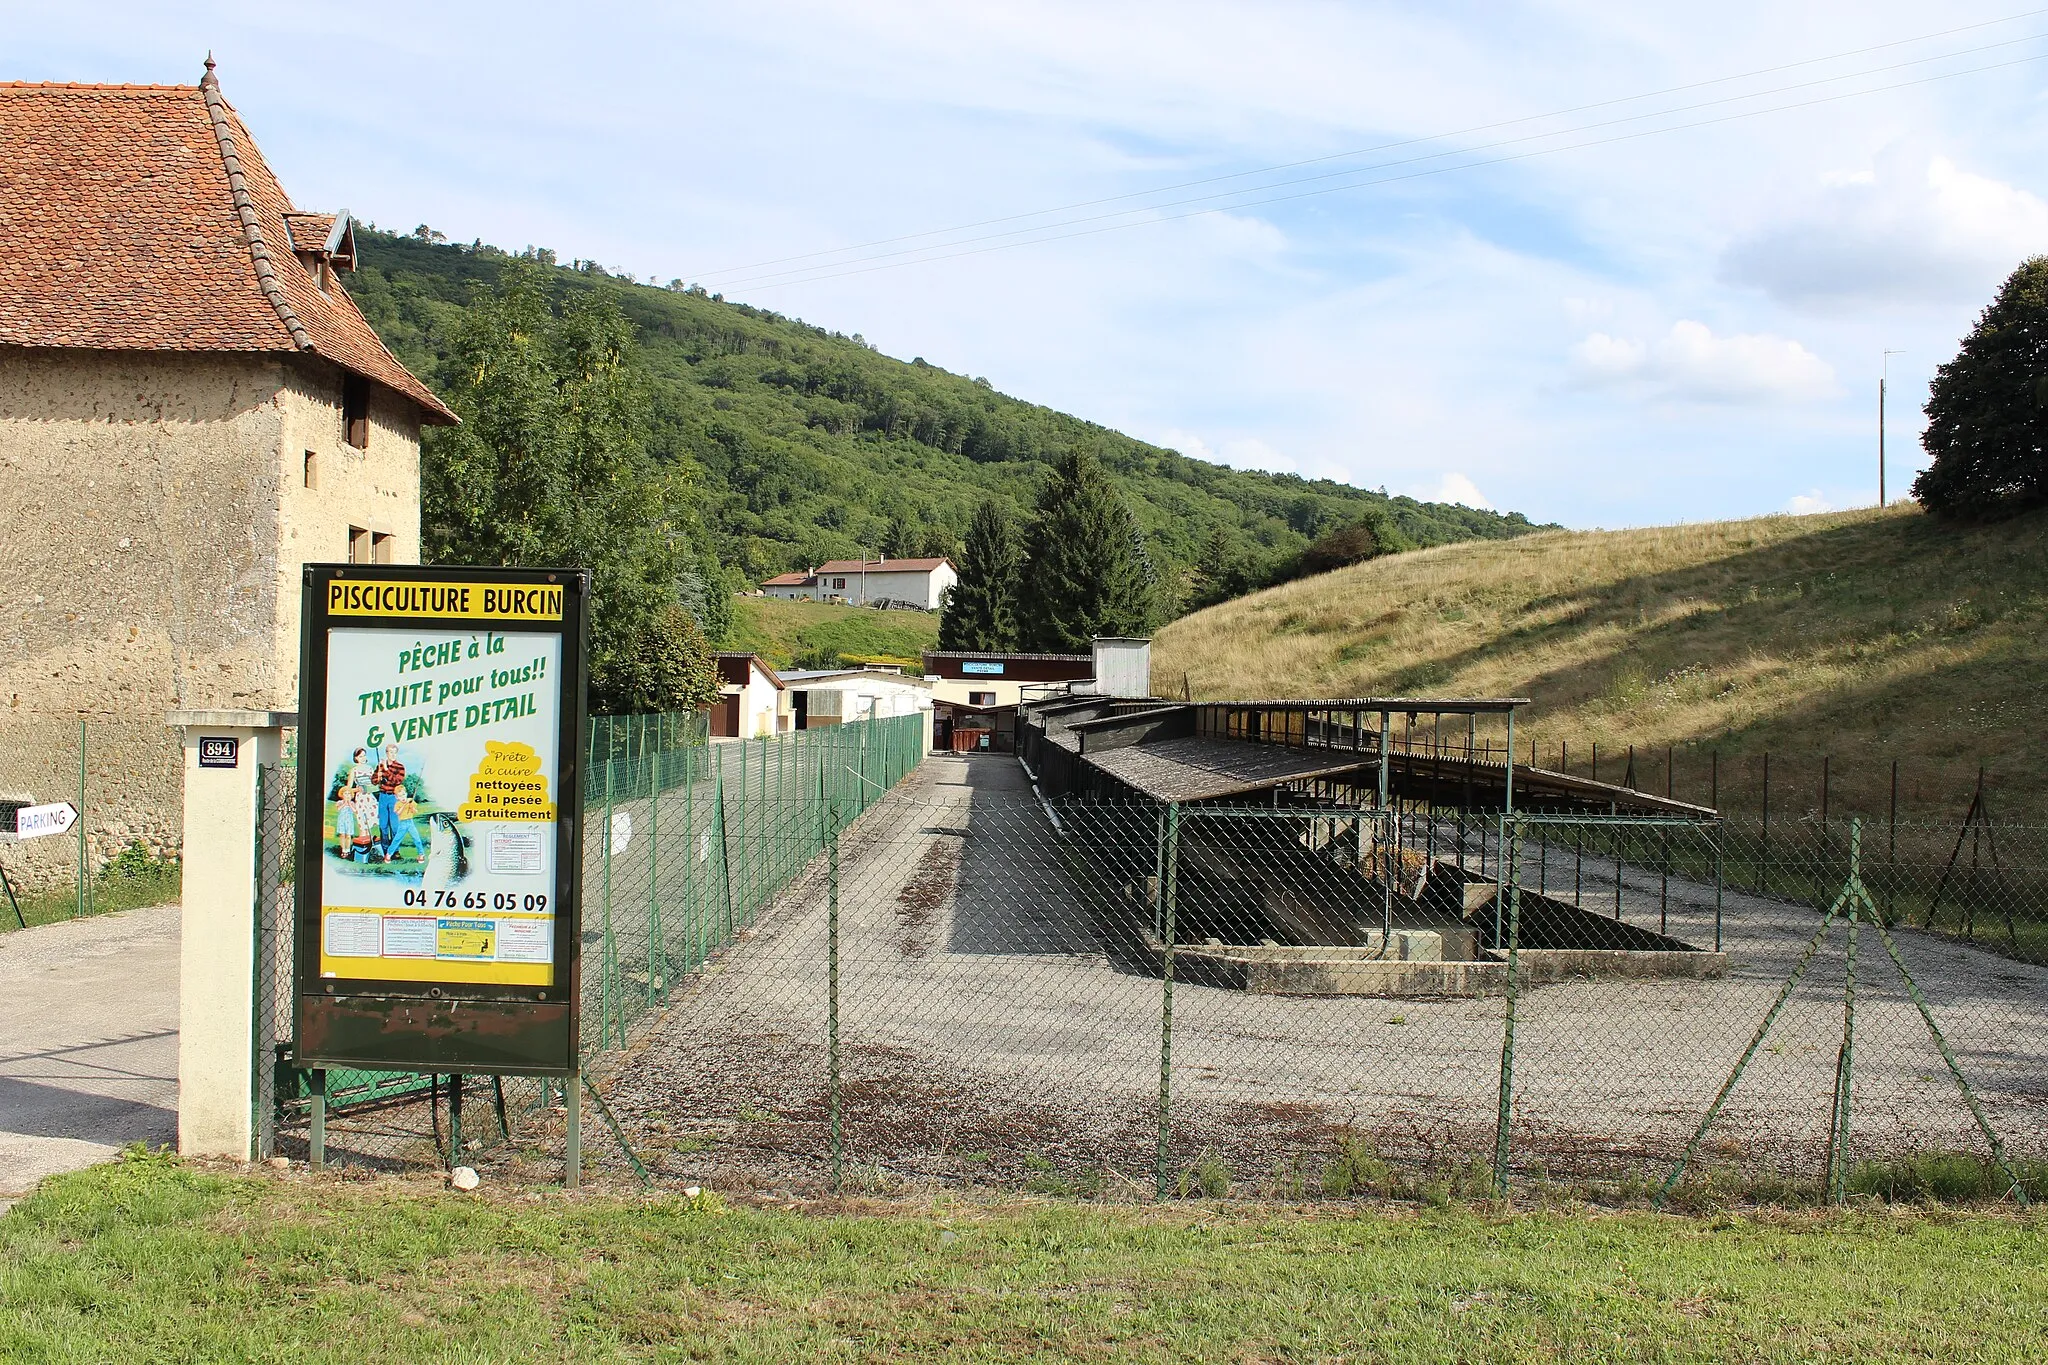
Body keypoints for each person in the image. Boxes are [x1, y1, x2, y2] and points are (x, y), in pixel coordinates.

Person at [371, 743, 407, 859]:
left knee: (395, 826)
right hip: (382, 797)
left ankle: (395, 851)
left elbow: (396, 781)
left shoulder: (400, 767)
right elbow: (374, 781)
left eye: (394, 752)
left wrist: (386, 770)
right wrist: (379, 775)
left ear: (396, 753)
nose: (392, 754)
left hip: (394, 798)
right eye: (390, 752)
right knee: (383, 826)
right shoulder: (380, 765)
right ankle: (386, 851)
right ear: (386, 753)